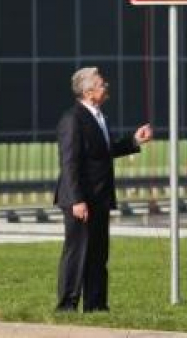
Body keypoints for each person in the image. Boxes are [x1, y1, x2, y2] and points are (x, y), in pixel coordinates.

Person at [54, 66, 152, 312]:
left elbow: (104, 152)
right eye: (101, 84)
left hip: (100, 197)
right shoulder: (72, 119)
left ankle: (96, 305)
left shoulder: (100, 117)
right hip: (81, 199)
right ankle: (67, 305)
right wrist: (77, 200)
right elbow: (70, 163)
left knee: (99, 253)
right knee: (77, 253)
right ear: (88, 92)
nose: (106, 86)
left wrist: (133, 141)